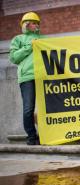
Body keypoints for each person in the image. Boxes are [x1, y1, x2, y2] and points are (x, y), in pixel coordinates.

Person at [9, 12, 44, 145]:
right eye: (33, 23)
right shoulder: (18, 39)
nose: (36, 25)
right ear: (26, 25)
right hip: (27, 77)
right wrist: (30, 46)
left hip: (43, 77)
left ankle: (45, 134)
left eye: (37, 23)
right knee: (28, 108)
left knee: (47, 108)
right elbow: (14, 58)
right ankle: (31, 136)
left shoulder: (44, 38)